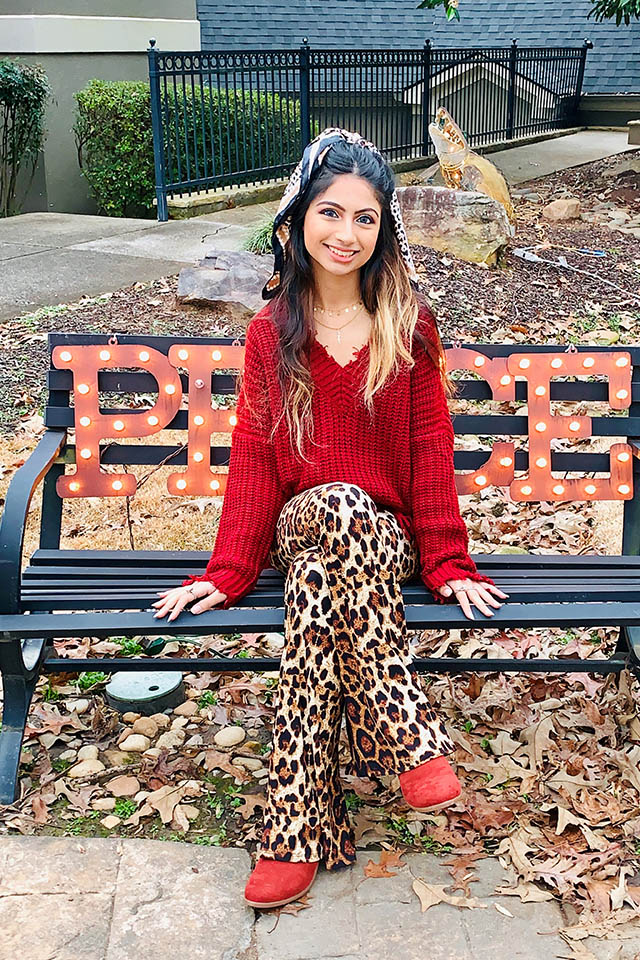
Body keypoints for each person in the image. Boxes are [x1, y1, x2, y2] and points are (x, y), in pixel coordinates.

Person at [151, 127, 508, 909]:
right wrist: (229, 569)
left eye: (366, 219)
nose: (346, 234)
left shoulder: (406, 326)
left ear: (383, 232)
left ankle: (296, 831)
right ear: (297, 222)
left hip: (379, 541)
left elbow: (427, 443)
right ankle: (402, 729)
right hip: (300, 523)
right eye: (331, 213)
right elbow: (252, 455)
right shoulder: (269, 334)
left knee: (323, 573)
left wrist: (446, 558)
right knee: (327, 512)